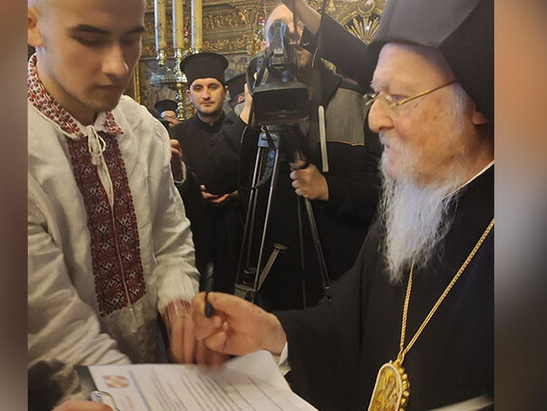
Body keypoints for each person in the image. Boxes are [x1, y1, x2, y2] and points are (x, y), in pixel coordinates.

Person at [193, 0, 494, 410]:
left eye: (399, 98)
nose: (374, 120)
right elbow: (348, 323)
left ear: (478, 102)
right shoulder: (409, 208)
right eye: (376, 96)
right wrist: (275, 332)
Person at [27, 0, 220, 403]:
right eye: (90, 39)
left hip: (152, 364)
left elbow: (170, 239)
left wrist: (178, 305)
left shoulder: (142, 128)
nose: (118, 66)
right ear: (32, 26)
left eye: (131, 40)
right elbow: (53, 328)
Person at [203, 4, 382, 311]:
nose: (291, 39)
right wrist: (251, 108)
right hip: (274, 282)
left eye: (301, 29)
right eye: (279, 31)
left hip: (344, 277)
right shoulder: (248, 113)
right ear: (264, 46)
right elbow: (214, 177)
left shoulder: (355, 102)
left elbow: (385, 190)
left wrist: (329, 188)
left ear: (317, 39)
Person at [169, 52, 244, 295]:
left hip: (237, 227)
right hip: (194, 230)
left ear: (224, 91)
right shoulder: (176, 135)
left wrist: (234, 193)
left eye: (212, 87)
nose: (206, 94)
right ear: (189, 94)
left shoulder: (240, 130)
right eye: (198, 88)